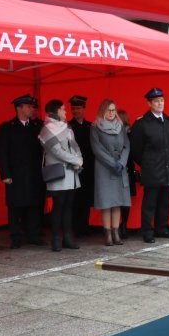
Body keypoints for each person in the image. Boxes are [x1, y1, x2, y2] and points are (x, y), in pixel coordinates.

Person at [0, 94, 46, 248]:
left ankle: (34, 235)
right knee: (15, 205)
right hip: (15, 174)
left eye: (32, 106)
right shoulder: (6, 127)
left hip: (34, 173)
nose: (32, 109)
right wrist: (5, 174)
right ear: (19, 108)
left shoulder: (37, 126)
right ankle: (16, 236)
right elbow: (1, 152)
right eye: (28, 106)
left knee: (35, 204)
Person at [131, 87, 169, 243]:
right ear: (149, 103)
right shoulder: (142, 124)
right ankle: (147, 231)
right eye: (156, 101)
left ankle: (161, 228)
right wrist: (147, 163)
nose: (160, 103)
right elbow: (136, 149)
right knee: (150, 203)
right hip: (152, 169)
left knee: (165, 201)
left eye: (162, 100)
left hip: (168, 167)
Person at [39, 99, 84, 252]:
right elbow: (56, 151)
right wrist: (76, 160)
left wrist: (79, 158)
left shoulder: (67, 127)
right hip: (59, 174)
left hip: (71, 173)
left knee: (68, 207)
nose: (66, 112)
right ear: (56, 111)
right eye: (63, 109)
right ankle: (56, 239)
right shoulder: (47, 129)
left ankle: (67, 237)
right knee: (58, 207)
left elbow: (75, 145)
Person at [91, 99, 132, 245]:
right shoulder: (95, 127)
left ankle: (116, 232)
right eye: (109, 110)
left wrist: (121, 163)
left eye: (114, 110)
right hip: (104, 169)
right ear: (103, 110)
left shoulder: (120, 127)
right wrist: (112, 163)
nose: (111, 113)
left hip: (119, 168)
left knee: (117, 202)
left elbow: (127, 146)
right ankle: (107, 233)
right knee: (106, 202)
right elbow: (97, 149)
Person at [68, 95, 94, 236]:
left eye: (78, 108)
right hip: (74, 168)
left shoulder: (91, 126)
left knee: (86, 198)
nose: (76, 111)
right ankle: (74, 228)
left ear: (84, 109)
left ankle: (85, 226)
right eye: (73, 109)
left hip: (88, 167)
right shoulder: (68, 126)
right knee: (74, 199)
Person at [117, 109, 137, 237]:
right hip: (125, 167)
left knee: (123, 200)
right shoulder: (130, 132)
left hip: (125, 168)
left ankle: (123, 225)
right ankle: (123, 225)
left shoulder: (128, 133)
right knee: (124, 200)